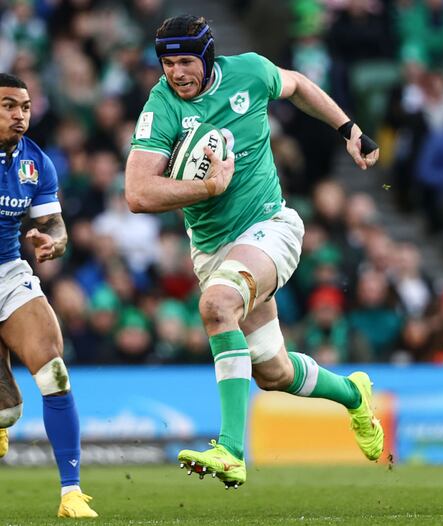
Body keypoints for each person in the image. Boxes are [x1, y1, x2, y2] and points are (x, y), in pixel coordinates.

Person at [125, 15, 383, 489]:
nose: (177, 73)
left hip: (270, 227)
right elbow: (138, 193)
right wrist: (207, 188)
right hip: (213, 249)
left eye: (186, 62)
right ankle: (353, 394)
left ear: (207, 57)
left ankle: (230, 449)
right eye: (168, 64)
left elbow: (299, 84)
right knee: (274, 372)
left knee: (217, 305)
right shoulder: (161, 106)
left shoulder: (250, 71)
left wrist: (348, 127)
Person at [0, 73, 97, 518]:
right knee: (6, 414)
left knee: (54, 370)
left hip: (9, 273)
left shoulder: (36, 162)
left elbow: (54, 224)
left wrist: (53, 242)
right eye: (7, 106)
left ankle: (71, 493)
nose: (19, 115)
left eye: (24, 107)